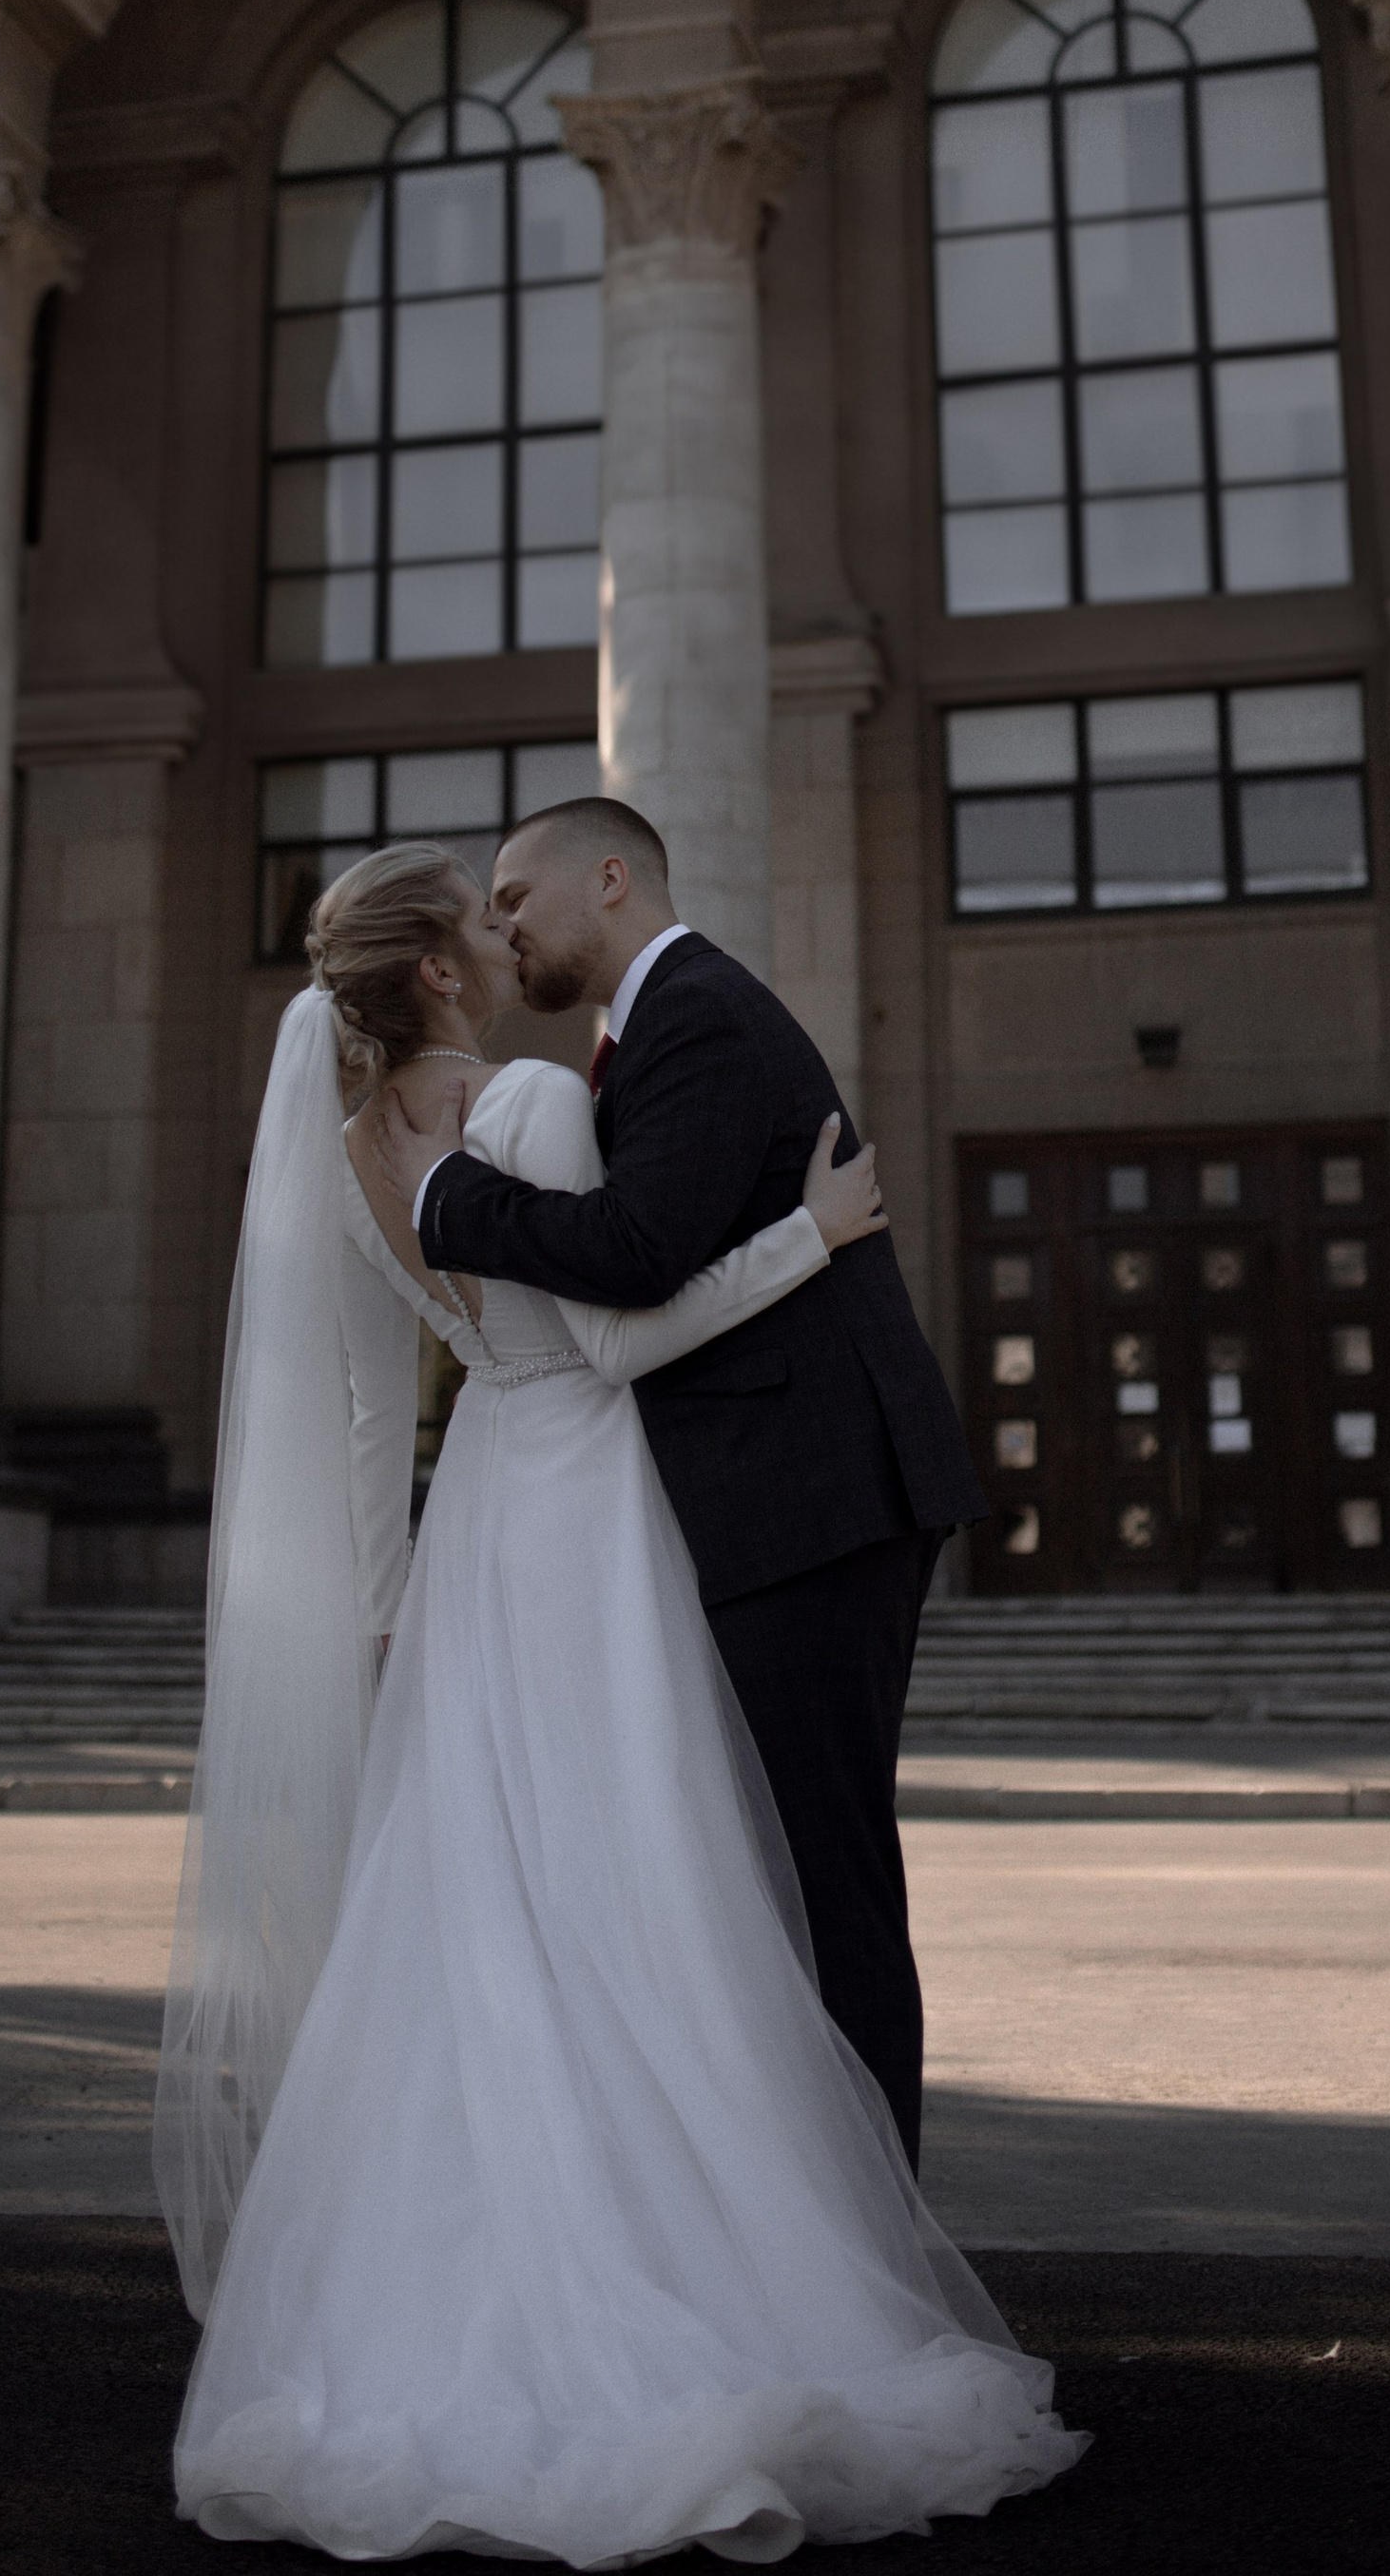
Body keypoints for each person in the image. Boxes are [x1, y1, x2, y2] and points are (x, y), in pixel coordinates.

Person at [159, 842, 1083, 2562]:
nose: (508, 937)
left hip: (470, 1542)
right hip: (589, 1516)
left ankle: (447, 2287)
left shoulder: (349, 1147)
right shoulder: (511, 1106)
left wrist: (376, 1610)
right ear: (439, 974)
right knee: (645, 1895)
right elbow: (611, 1336)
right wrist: (806, 1238)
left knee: (486, 1916)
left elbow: (373, 1413)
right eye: (481, 921)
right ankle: (708, 2269)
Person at [376, 795, 985, 2167]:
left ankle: (866, 2222)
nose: (505, 924)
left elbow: (638, 1249)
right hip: (778, 1497)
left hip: (816, 1500)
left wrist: (447, 1201)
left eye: (519, 896)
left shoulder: (698, 1012)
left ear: (611, 879)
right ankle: (813, 2206)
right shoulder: (643, 1036)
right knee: (776, 1872)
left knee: (825, 1872)